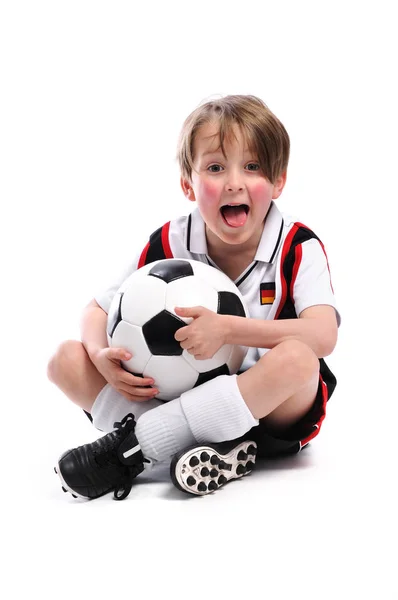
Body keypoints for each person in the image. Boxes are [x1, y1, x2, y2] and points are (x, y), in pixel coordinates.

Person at [48, 94, 340, 501]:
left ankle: (133, 449)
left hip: (268, 408)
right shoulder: (170, 240)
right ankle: (212, 448)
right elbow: (96, 310)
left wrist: (228, 330)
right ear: (189, 184)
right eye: (216, 168)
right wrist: (100, 356)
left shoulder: (297, 246)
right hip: (178, 396)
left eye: (252, 166)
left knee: (299, 359)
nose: (234, 182)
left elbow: (324, 335)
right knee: (65, 360)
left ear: (278, 181)